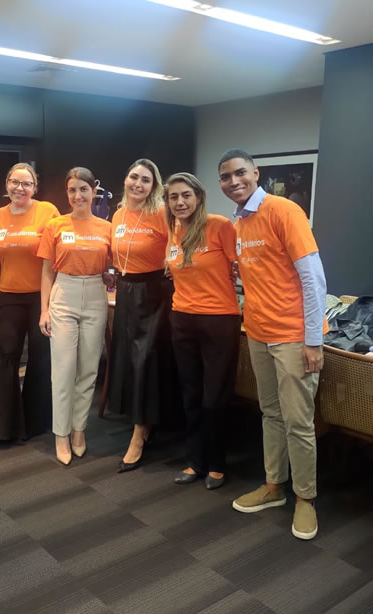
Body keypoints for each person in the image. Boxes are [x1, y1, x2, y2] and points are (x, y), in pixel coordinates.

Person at [218, 149, 327, 540]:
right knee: (270, 414)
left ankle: (305, 498)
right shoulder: (239, 222)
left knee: (299, 421)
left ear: (256, 173)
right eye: (226, 177)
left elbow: (313, 279)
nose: (234, 181)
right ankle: (274, 486)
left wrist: (313, 340)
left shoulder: (284, 211)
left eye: (240, 173)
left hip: (294, 337)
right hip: (260, 334)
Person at [164, 172, 241, 490]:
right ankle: (195, 460)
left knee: (215, 395)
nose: (180, 202)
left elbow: (243, 270)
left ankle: (217, 463)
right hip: (182, 319)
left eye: (185, 195)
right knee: (191, 393)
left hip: (219, 321)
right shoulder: (172, 230)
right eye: (173, 197)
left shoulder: (220, 225)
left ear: (198, 197)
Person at [38, 167, 111, 466]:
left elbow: (114, 267)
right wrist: (44, 309)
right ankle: (61, 433)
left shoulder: (106, 228)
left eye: (83, 189)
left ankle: (79, 429)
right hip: (64, 294)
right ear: (66, 194)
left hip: (96, 294)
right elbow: (46, 272)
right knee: (64, 370)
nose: (78, 195)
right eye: (72, 190)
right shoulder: (55, 225)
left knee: (89, 369)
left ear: (94, 191)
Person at [109, 159, 175, 473]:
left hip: (154, 293)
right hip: (125, 290)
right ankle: (143, 420)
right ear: (126, 179)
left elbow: (177, 247)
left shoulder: (162, 213)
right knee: (127, 359)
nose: (138, 184)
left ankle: (139, 434)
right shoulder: (119, 214)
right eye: (134, 177)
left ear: (154, 186)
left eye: (145, 180)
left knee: (145, 360)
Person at [0, 163, 59, 445]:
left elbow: (54, 257)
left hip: (41, 296)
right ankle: (5, 427)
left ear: (34, 187)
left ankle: (35, 421)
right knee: (7, 355)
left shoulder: (47, 211)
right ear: (6, 184)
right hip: (9, 295)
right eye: (15, 182)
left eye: (26, 183)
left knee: (41, 356)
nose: (20, 188)